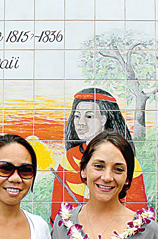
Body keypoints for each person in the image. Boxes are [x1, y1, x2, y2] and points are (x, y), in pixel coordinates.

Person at [50, 88, 148, 223]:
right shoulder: (69, 158)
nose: (81, 123)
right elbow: (58, 212)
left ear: (103, 119)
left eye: (89, 116)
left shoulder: (127, 160)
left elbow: (137, 214)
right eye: (77, 116)